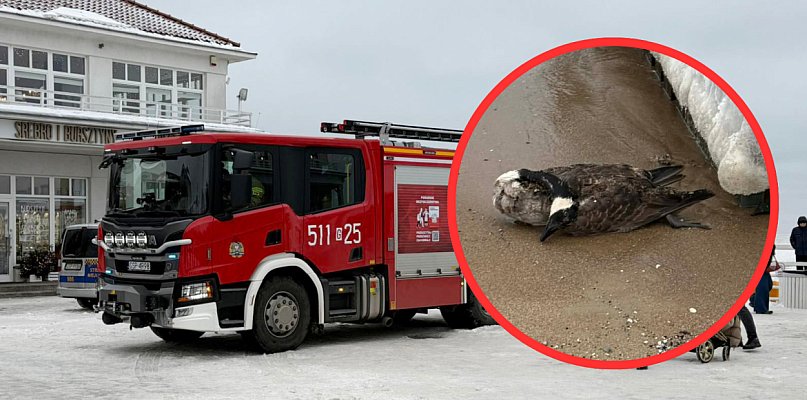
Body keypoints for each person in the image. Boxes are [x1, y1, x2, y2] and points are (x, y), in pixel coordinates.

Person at [752, 247, 779, 314]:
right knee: (763, 287)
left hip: (764, 267)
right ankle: (761, 309)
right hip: (761, 267)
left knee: (769, 285)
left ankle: (754, 300)